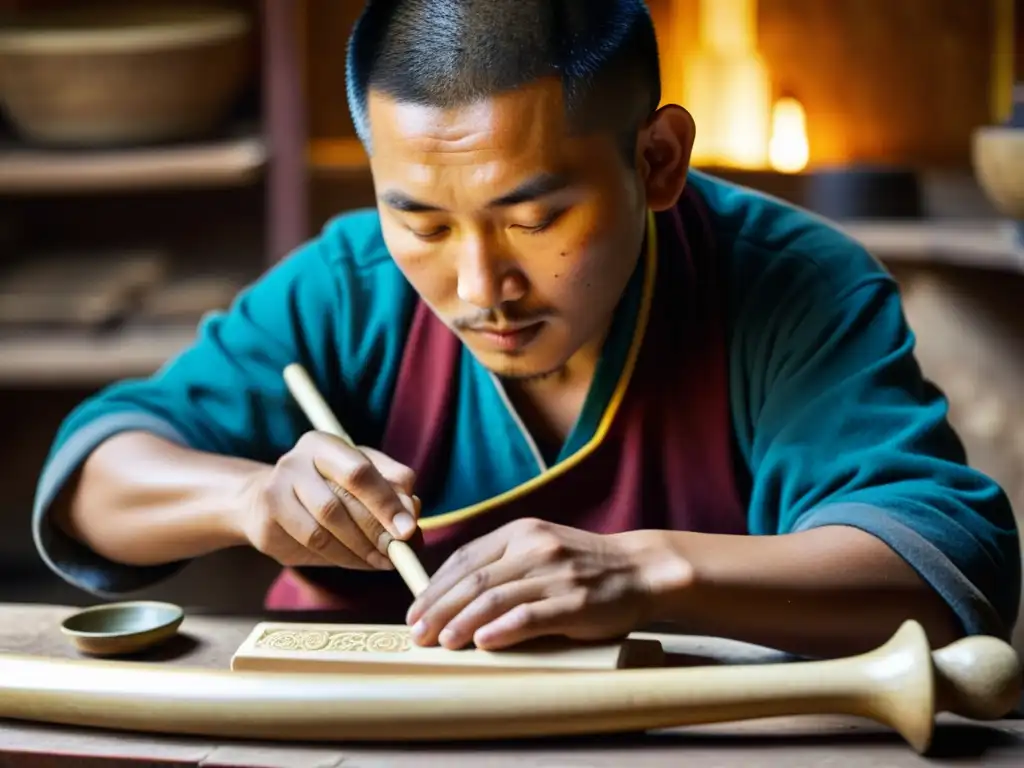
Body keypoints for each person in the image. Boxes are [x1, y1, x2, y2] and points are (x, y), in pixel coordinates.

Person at [31, 0, 1019, 660]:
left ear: (659, 160)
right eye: (418, 219)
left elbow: (944, 565)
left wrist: (642, 569)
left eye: (534, 218)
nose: (478, 288)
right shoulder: (349, 284)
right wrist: (251, 498)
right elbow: (94, 481)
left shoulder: (788, 282)